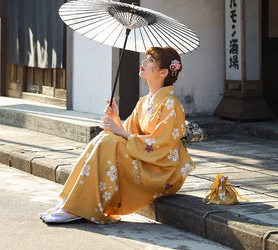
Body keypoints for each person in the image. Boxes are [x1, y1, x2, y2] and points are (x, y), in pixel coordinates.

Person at [40, 46, 196, 224]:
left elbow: (161, 144)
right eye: (145, 58)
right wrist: (115, 117)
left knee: (108, 141)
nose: (143, 62)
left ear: (163, 72)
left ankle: (80, 207)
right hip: (148, 160)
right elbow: (127, 135)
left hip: (162, 170)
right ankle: (73, 202)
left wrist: (119, 130)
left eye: (151, 60)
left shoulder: (171, 104)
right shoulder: (144, 102)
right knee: (104, 139)